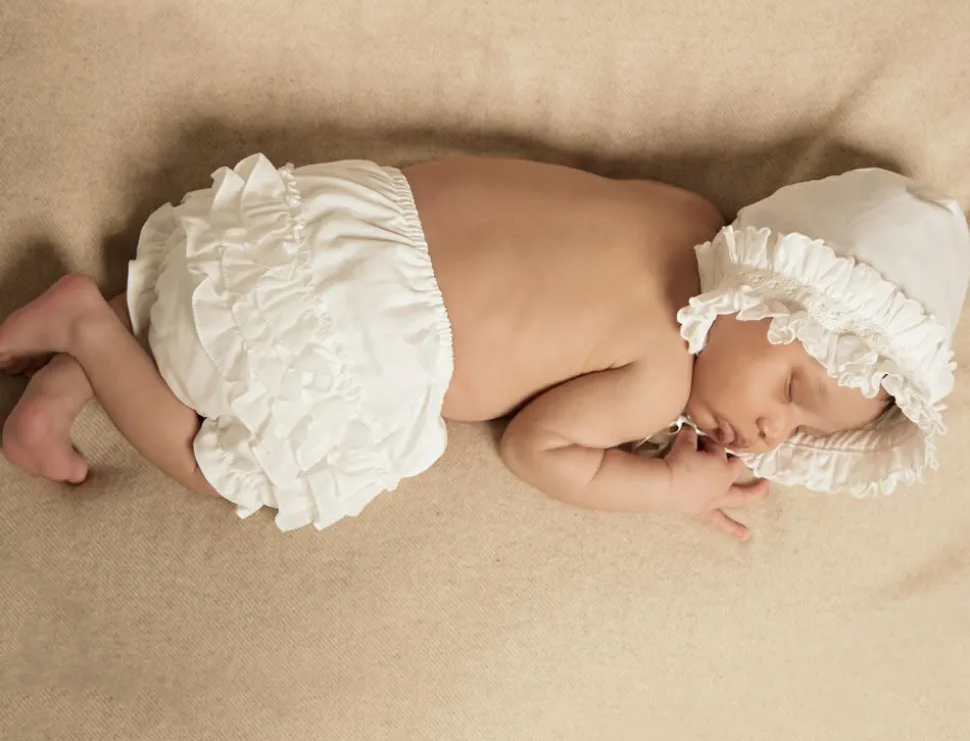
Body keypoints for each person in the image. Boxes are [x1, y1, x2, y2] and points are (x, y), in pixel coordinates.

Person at [1, 158, 967, 539]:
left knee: (202, 331)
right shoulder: (658, 374)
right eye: (792, 383)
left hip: (330, 221)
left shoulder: (685, 211)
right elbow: (536, 448)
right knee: (235, 466)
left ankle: (65, 379)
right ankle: (81, 323)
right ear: (771, 283)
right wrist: (671, 485)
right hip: (366, 333)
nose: (767, 427)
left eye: (794, 427)